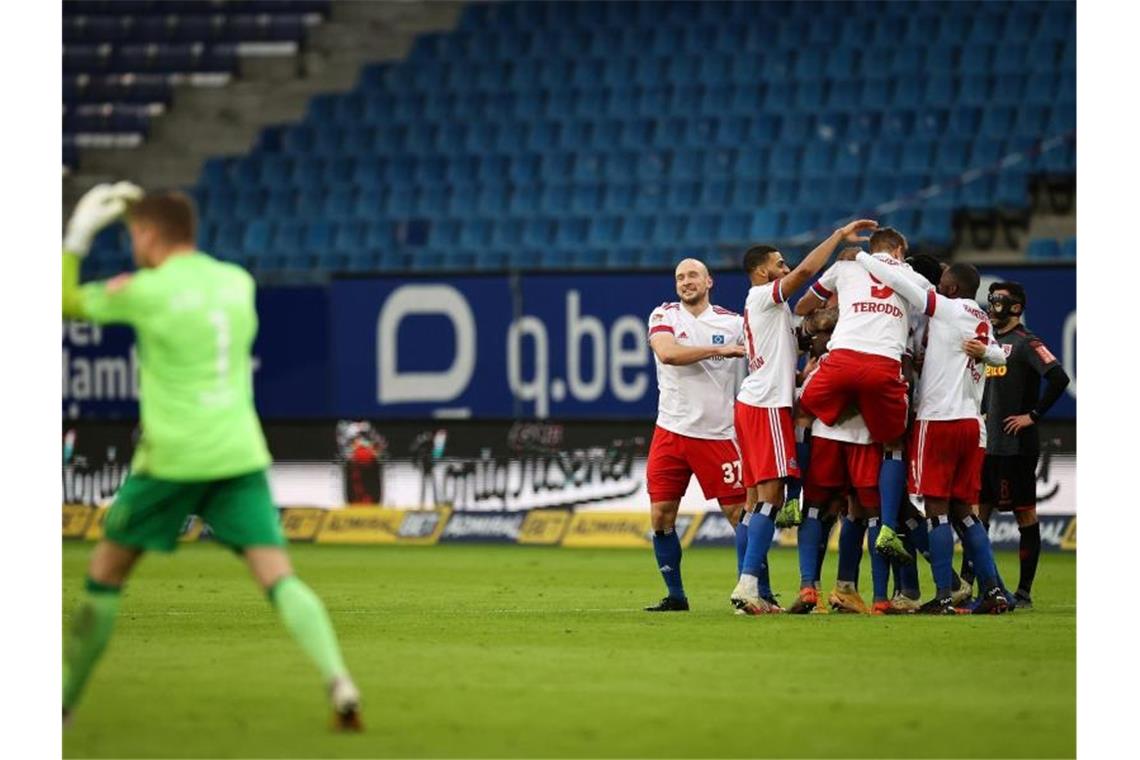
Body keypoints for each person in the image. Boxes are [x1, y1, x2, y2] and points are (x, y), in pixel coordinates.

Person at [61, 184, 362, 728]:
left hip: (171, 459)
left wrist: (76, 239)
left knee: (105, 575)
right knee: (279, 577)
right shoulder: (237, 283)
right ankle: (339, 680)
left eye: (133, 233)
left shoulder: (146, 291)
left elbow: (66, 302)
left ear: (149, 235)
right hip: (238, 454)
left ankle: (60, 703)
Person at [729, 219, 878, 615]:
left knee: (752, 502)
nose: (785, 267)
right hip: (766, 407)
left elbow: (794, 338)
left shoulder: (764, 309)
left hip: (753, 402)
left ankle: (753, 589)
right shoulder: (764, 296)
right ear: (762, 271)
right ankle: (747, 586)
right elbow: (808, 273)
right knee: (770, 500)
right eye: (779, 263)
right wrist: (837, 238)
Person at [853, 253, 1011, 614]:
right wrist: (988, 352)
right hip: (972, 425)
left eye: (942, 285)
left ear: (952, 288)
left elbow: (904, 285)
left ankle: (943, 594)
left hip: (939, 421)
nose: (937, 288)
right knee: (964, 513)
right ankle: (993, 592)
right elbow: (1001, 355)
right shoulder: (981, 317)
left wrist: (861, 256)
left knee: (937, 512)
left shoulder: (949, 309)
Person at [794, 228, 932, 581]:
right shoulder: (912, 278)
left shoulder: (844, 270)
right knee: (892, 447)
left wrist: (830, 306)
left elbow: (802, 307)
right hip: (883, 372)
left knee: (803, 414)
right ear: (900, 250)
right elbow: (928, 313)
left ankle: (792, 499)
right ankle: (887, 541)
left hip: (839, 370)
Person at [644, 259, 748, 611]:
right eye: (680, 277)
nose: (686, 282)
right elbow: (668, 354)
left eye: (692, 276)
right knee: (661, 517)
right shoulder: (664, 315)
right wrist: (720, 350)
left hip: (718, 434)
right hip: (670, 432)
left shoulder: (733, 323)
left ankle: (753, 590)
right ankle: (676, 596)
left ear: (709, 281)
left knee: (739, 516)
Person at [974, 281, 1071, 609]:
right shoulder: (988, 342)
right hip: (986, 445)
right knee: (977, 515)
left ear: (1016, 307)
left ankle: (1024, 592)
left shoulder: (1027, 342)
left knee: (1024, 514)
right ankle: (974, 588)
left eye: (1001, 301)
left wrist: (1032, 415)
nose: (994, 306)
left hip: (1016, 446)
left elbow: (1059, 378)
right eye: (992, 299)